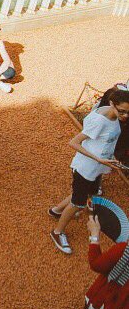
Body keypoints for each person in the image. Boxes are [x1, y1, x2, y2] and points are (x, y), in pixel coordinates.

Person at [50, 87, 129, 254]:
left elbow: (105, 142)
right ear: (112, 104)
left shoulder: (113, 115)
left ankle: (56, 210)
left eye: (128, 112)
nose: (125, 116)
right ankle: (57, 232)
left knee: (86, 193)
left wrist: (109, 159)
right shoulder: (100, 121)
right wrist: (99, 159)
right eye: (122, 111)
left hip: (97, 167)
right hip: (86, 167)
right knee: (78, 202)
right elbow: (74, 143)